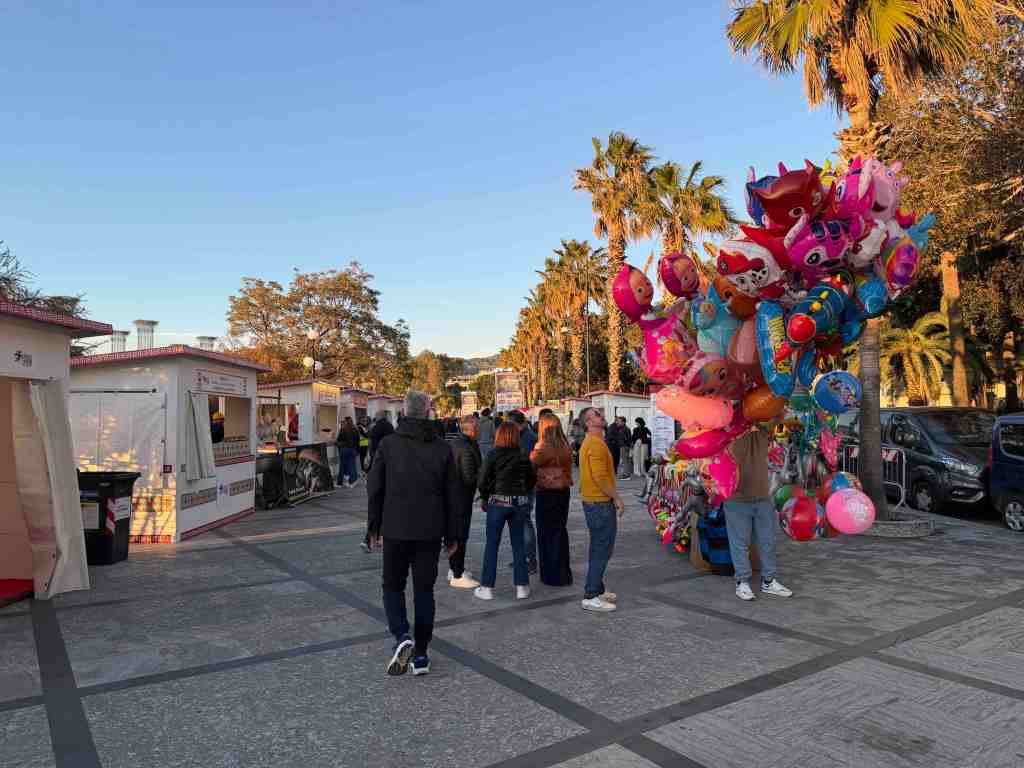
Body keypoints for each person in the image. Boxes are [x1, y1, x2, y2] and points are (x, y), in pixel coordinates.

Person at [367, 391, 460, 676]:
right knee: (424, 590)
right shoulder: (442, 448)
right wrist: (453, 535)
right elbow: (452, 495)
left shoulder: (388, 445)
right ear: (428, 412)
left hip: (395, 527)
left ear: (404, 412)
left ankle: (401, 635)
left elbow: (375, 488)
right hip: (430, 530)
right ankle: (420, 654)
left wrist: (374, 527)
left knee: (392, 586)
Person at [725, 426, 793, 602]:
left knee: (767, 541)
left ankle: (768, 581)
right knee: (740, 543)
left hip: (763, 497)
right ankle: (742, 582)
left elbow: (778, 414)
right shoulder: (727, 429)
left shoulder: (762, 427)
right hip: (736, 498)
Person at [474, 422, 536, 602]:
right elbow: (531, 479)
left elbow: (482, 480)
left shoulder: (493, 454)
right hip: (519, 503)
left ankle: (487, 588)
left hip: (497, 503)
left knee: (492, 544)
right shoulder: (523, 455)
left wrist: (486, 497)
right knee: (518, 545)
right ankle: (522, 587)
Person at [578, 407, 624, 613]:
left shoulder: (594, 442)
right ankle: (590, 595)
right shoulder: (594, 444)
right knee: (601, 548)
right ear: (588, 423)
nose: (602, 415)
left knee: (599, 547)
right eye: (596, 414)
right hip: (599, 504)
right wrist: (616, 498)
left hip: (594, 503)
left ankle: (597, 587)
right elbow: (600, 477)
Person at [530, 412, 574, 586]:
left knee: (546, 533)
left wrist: (536, 448)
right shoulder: (565, 445)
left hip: (546, 492)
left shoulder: (544, 447)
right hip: (563, 491)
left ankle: (550, 575)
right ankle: (563, 573)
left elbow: (531, 464)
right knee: (560, 532)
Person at [447, 415, 482, 589]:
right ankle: (457, 574)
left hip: (454, 497)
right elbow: (469, 477)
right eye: (479, 428)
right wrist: (483, 479)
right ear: (472, 429)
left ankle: (454, 568)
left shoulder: (456, 443)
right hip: (461, 498)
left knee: (456, 535)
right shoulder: (466, 448)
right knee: (460, 536)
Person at [507, 410, 538, 574]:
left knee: (525, 522)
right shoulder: (520, 437)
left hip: (525, 487)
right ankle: (522, 557)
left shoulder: (528, 438)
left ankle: (530, 559)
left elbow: (528, 465)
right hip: (517, 486)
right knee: (518, 523)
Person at [336, 417, 361, 488]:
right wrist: (357, 450)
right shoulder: (355, 430)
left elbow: (338, 440)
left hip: (344, 450)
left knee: (342, 466)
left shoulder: (343, 429)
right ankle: (352, 482)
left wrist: (337, 443)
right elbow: (358, 441)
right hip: (353, 449)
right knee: (352, 465)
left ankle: (339, 483)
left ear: (346, 422)